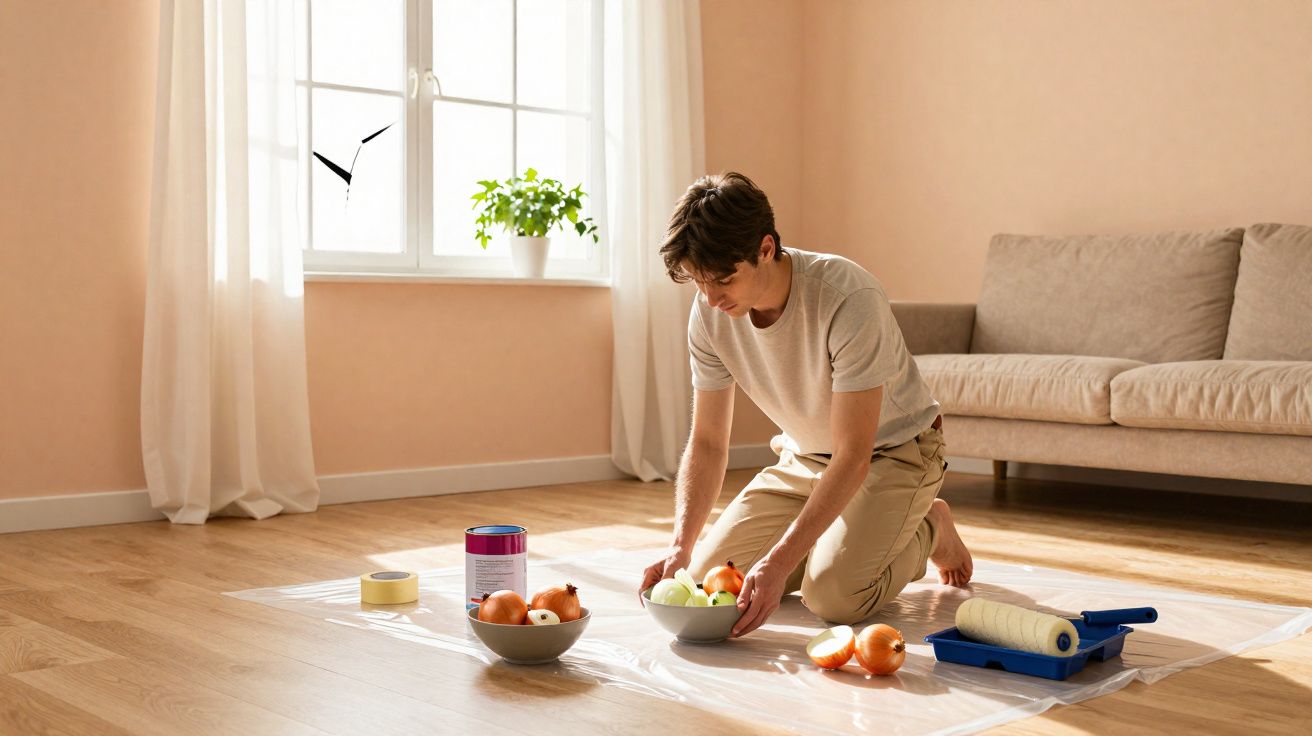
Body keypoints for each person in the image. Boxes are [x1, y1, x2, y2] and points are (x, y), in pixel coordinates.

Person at [638, 172, 973, 637]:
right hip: (806, 458)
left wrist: (779, 561)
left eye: (723, 281)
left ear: (766, 249)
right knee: (711, 582)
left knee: (833, 597)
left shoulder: (848, 298)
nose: (711, 299)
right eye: (698, 283)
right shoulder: (710, 314)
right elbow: (709, 442)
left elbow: (854, 454)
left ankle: (930, 526)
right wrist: (680, 545)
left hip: (894, 454)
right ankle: (843, 540)